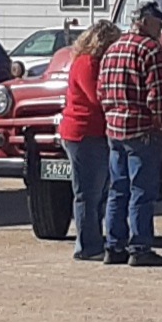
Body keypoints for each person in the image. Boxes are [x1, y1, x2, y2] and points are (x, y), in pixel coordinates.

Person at [101, 2, 162, 267]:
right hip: (142, 130)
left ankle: (113, 245)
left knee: (117, 189)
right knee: (142, 191)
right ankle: (140, 247)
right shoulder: (150, 49)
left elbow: (102, 90)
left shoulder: (112, 49)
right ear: (144, 21)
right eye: (158, 21)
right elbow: (159, 94)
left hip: (114, 130)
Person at [58, 20, 122, 261]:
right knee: (88, 193)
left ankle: (93, 241)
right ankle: (87, 245)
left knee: (98, 192)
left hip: (93, 133)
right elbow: (97, 97)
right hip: (84, 134)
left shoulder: (89, 62)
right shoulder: (87, 63)